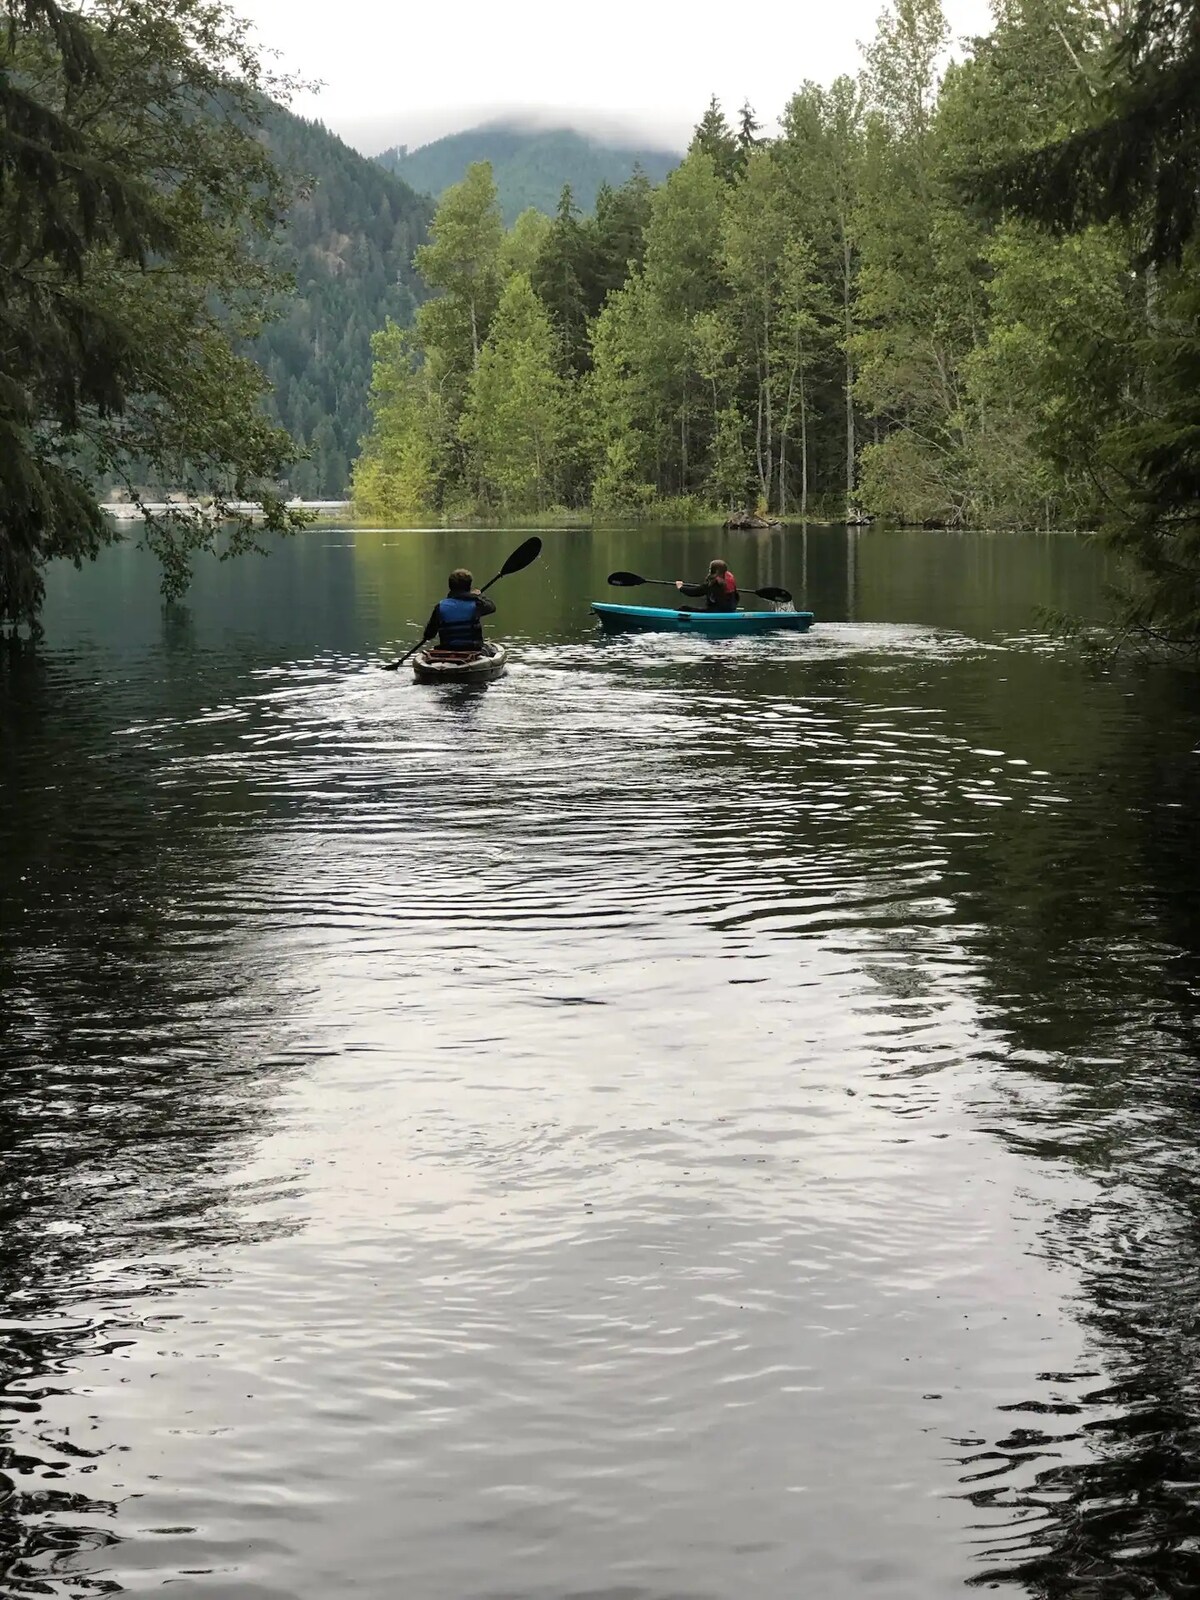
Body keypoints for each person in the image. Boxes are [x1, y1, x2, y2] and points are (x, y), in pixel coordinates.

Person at [422, 569, 496, 653]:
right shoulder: (477, 603)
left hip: (447, 649)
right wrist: (479, 596)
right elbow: (492, 607)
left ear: (450, 586)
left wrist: (426, 637)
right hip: (473, 649)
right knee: (491, 649)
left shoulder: (440, 607)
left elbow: (429, 635)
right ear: (469, 586)